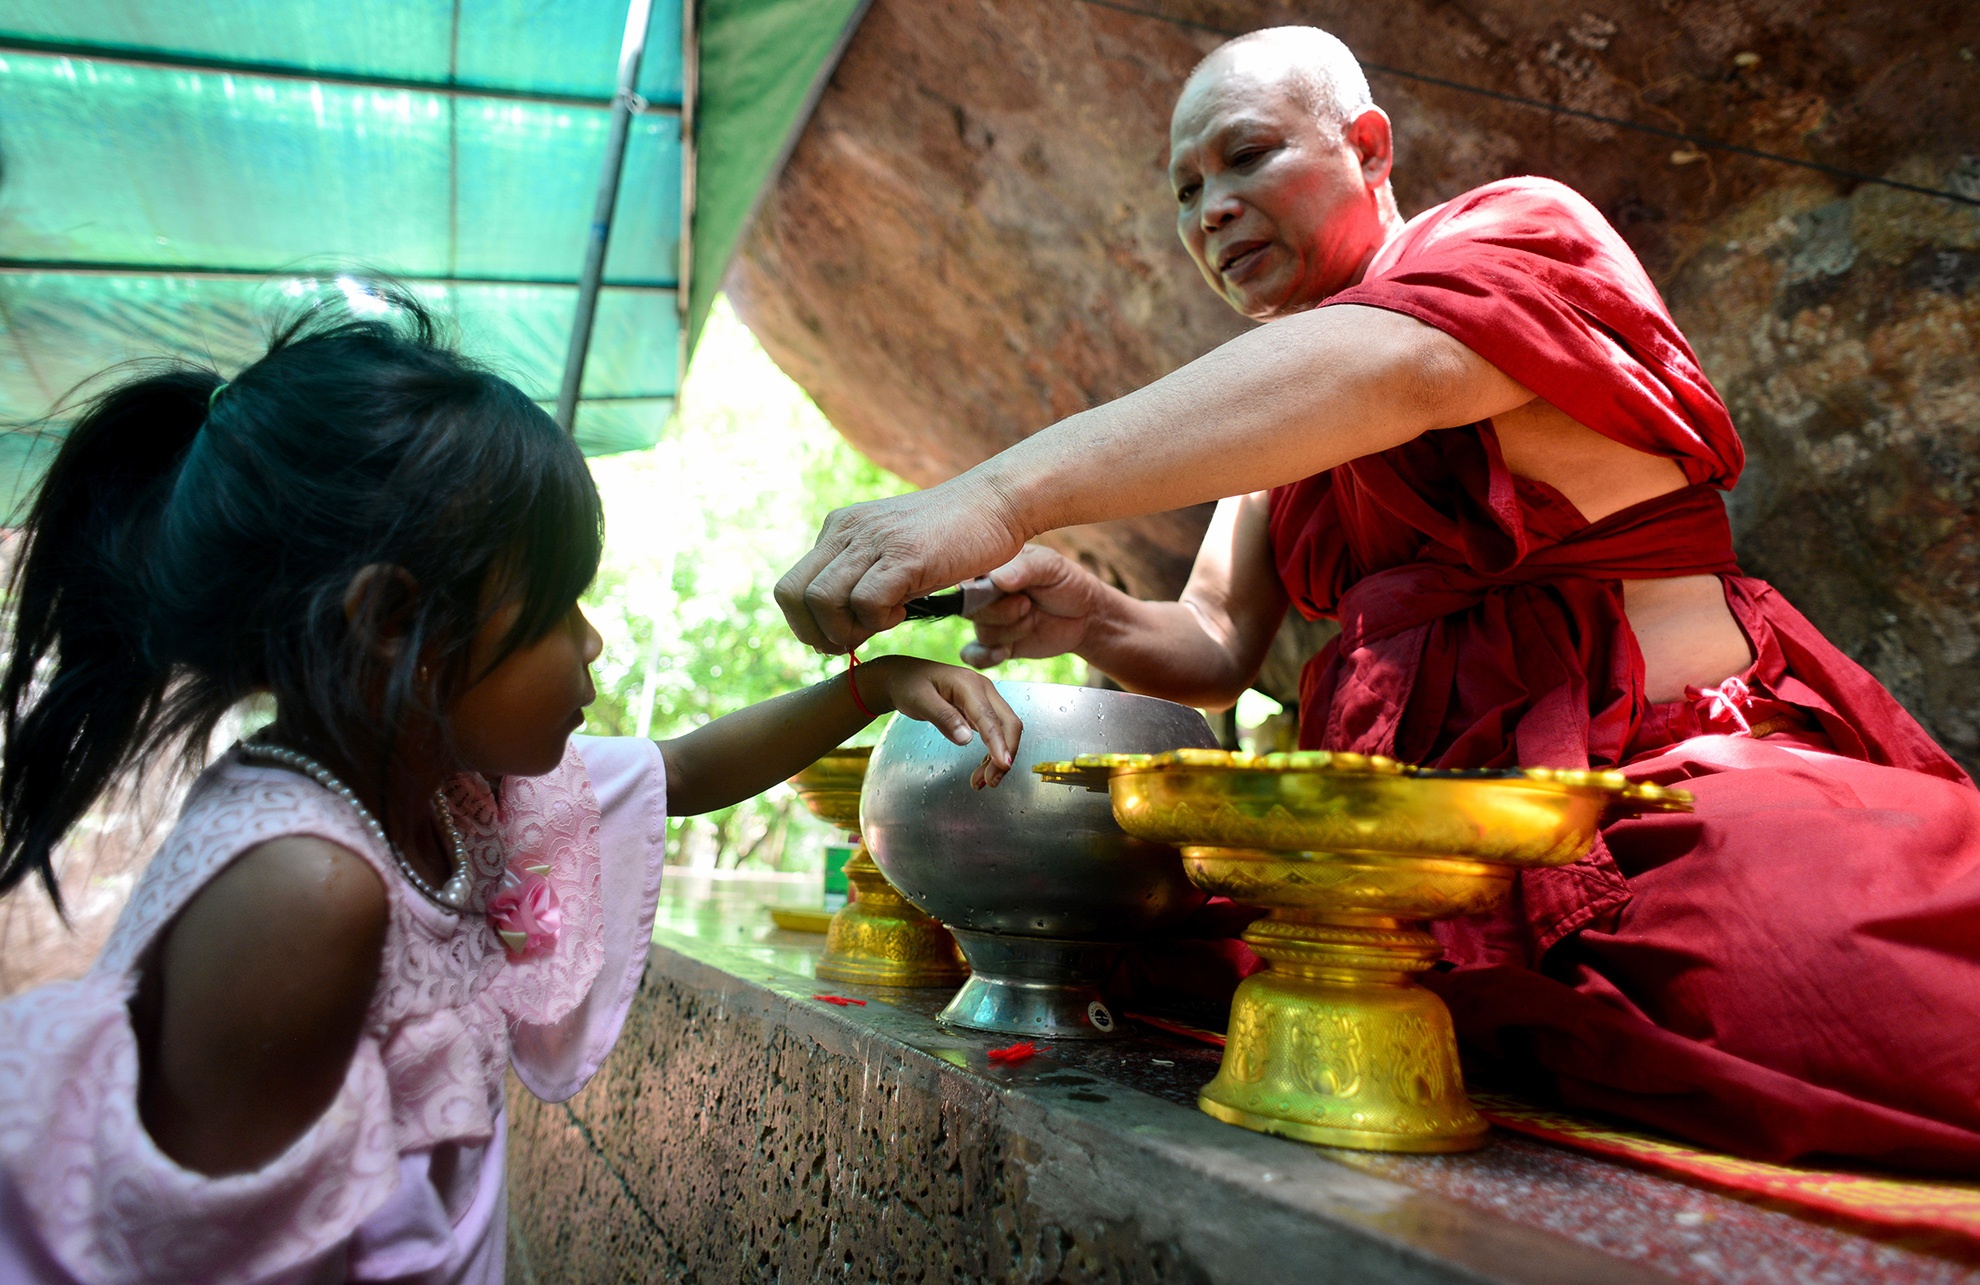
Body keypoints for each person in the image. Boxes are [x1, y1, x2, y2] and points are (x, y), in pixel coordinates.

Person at [775, 26, 1980, 1171]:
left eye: (1246, 156)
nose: (1211, 211)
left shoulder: (1514, 234)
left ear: (1370, 146)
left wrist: (998, 494)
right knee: (1123, 952)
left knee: (1850, 988)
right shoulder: (1290, 413)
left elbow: (1408, 364)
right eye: (1184, 193)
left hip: (1661, 795)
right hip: (1396, 867)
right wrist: (1083, 615)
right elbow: (1211, 643)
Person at [0, 294, 1022, 1282]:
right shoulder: (306, 889)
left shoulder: (450, 797)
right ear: (392, 624)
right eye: (555, 606)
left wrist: (875, 684)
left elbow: (686, 768)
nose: (593, 640)